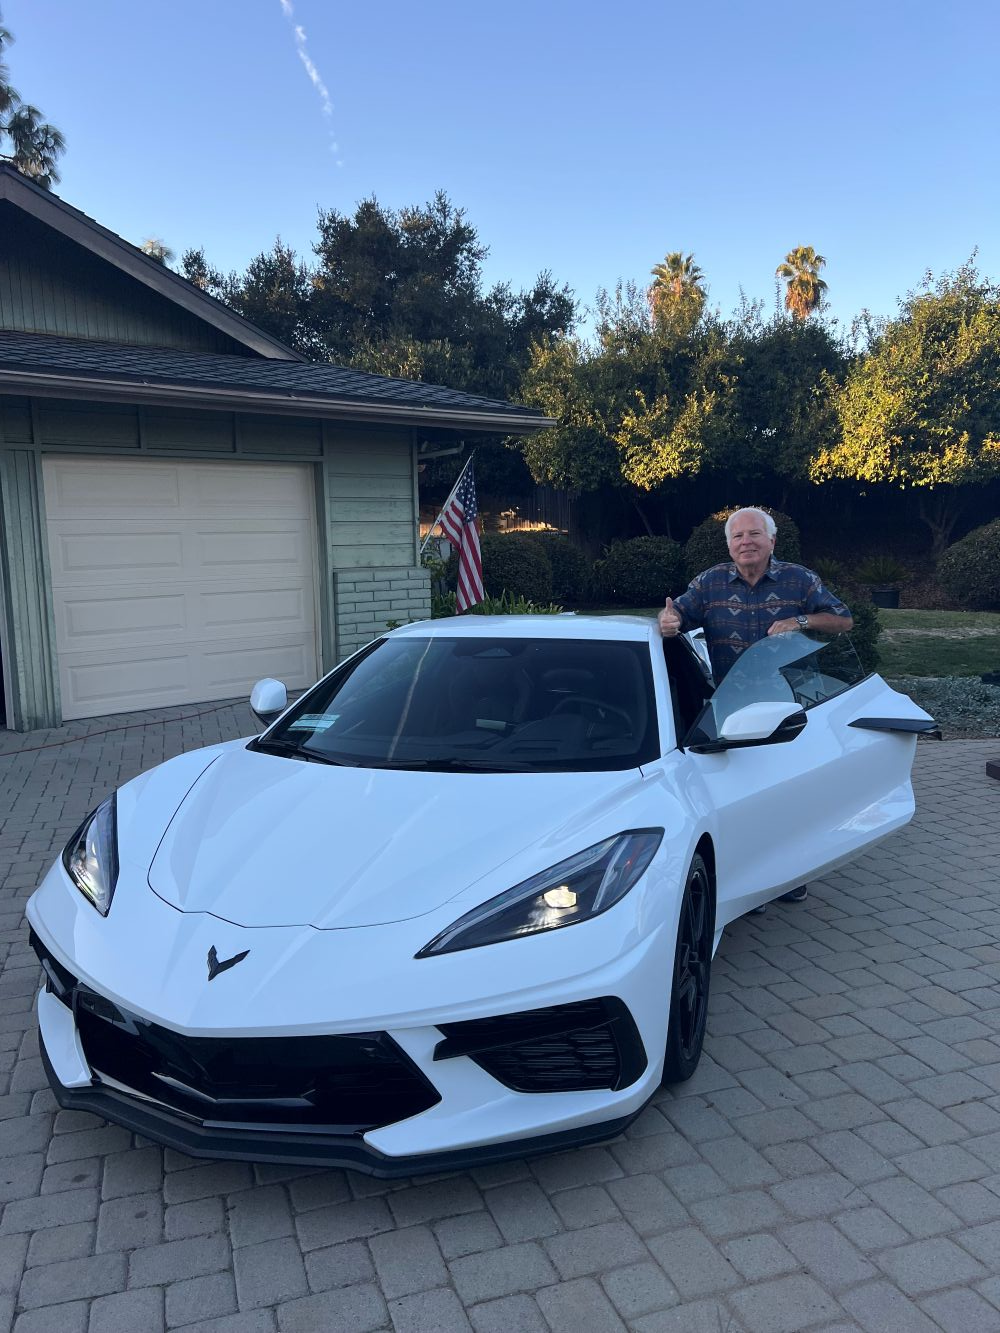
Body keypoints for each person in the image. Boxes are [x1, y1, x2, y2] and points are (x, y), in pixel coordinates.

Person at [659, 506, 854, 908]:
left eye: (754, 534)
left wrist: (800, 622)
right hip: (731, 706)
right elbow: (677, 613)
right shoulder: (710, 582)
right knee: (740, 793)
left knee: (790, 791)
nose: (745, 542)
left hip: (789, 704)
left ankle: (792, 875)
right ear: (729, 545)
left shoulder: (799, 579)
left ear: (771, 541)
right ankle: (751, 876)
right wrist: (668, 617)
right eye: (737, 536)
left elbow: (842, 620)